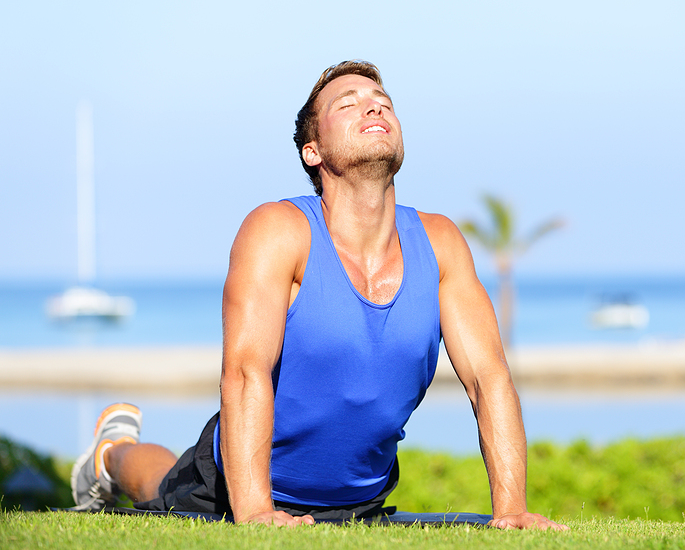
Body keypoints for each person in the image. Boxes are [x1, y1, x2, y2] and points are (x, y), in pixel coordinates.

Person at [71, 60, 566, 531]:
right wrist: (256, 512)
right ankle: (109, 455)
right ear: (313, 151)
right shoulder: (279, 231)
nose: (374, 108)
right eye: (347, 104)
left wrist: (512, 508)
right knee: (160, 484)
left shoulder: (440, 243)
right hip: (241, 482)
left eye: (382, 100)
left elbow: (489, 378)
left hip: (360, 499)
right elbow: (246, 372)